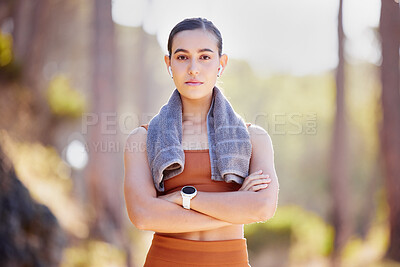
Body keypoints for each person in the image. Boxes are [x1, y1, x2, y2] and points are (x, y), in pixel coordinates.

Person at [124, 17, 279, 267]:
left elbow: (262, 208)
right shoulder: (142, 139)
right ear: (169, 63)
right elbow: (142, 216)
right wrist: (236, 209)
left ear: (221, 63)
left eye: (205, 57)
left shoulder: (254, 139)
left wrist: (181, 198)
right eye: (182, 57)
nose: (193, 68)